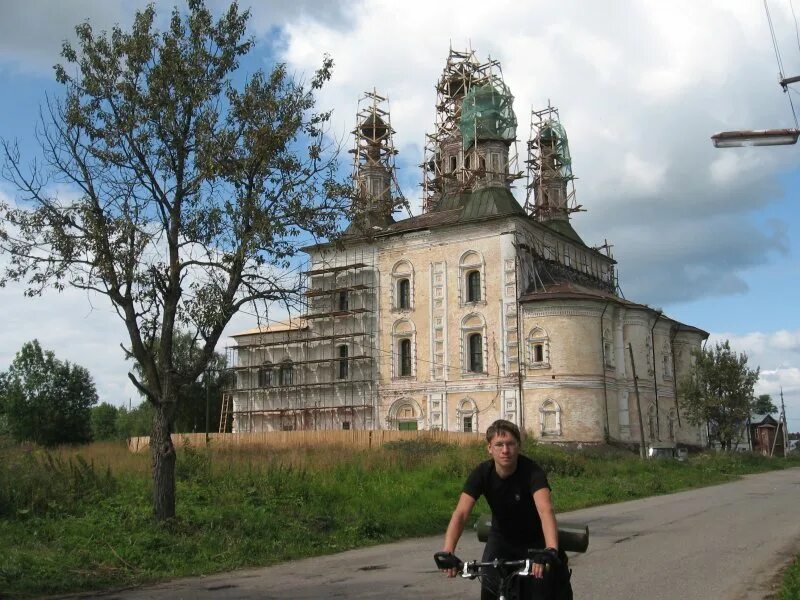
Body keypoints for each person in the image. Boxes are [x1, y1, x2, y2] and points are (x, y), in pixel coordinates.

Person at [441, 419, 570, 600]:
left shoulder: (532, 472)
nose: (505, 450)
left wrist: (550, 550)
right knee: (489, 590)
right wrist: (448, 551)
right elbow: (461, 513)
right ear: (489, 448)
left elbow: (545, 510)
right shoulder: (482, 473)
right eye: (499, 444)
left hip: (535, 542)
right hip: (501, 540)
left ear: (518, 446)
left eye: (510, 444)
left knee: (541, 590)